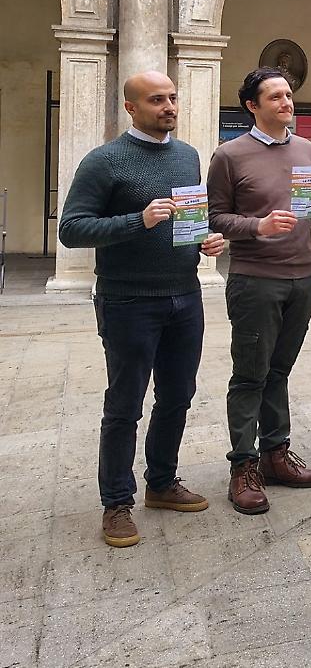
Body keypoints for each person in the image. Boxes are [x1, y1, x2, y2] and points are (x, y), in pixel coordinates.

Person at [58, 71, 224, 548]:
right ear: (131, 107)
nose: (169, 106)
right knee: (124, 405)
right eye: (157, 100)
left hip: (184, 295)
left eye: (172, 98)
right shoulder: (104, 162)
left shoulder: (187, 156)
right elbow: (72, 228)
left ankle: (162, 482)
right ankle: (116, 502)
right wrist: (139, 219)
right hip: (127, 300)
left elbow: (191, 219)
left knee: (177, 396)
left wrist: (205, 240)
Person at [207, 67, 311, 513]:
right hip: (256, 277)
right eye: (276, 97)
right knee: (250, 373)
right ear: (253, 106)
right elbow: (215, 218)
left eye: (288, 95)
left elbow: (304, 213)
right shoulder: (230, 155)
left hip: (303, 273)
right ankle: (243, 465)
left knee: (279, 370)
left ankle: (276, 453)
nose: (287, 102)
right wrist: (257, 226)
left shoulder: (305, 147)